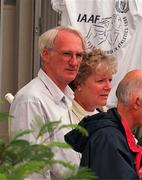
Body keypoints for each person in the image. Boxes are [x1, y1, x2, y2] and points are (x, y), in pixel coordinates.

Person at [9, 25, 86, 179]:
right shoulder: (31, 100)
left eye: (79, 55)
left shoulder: (65, 97)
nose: (74, 62)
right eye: (67, 54)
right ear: (45, 54)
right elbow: (30, 170)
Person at [65, 69, 142, 179]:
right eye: (101, 80)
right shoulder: (109, 139)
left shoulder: (114, 134)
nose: (108, 86)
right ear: (137, 102)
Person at [69, 48, 117, 124]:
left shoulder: (107, 113)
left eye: (110, 80)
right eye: (101, 81)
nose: (109, 87)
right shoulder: (66, 117)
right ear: (79, 83)